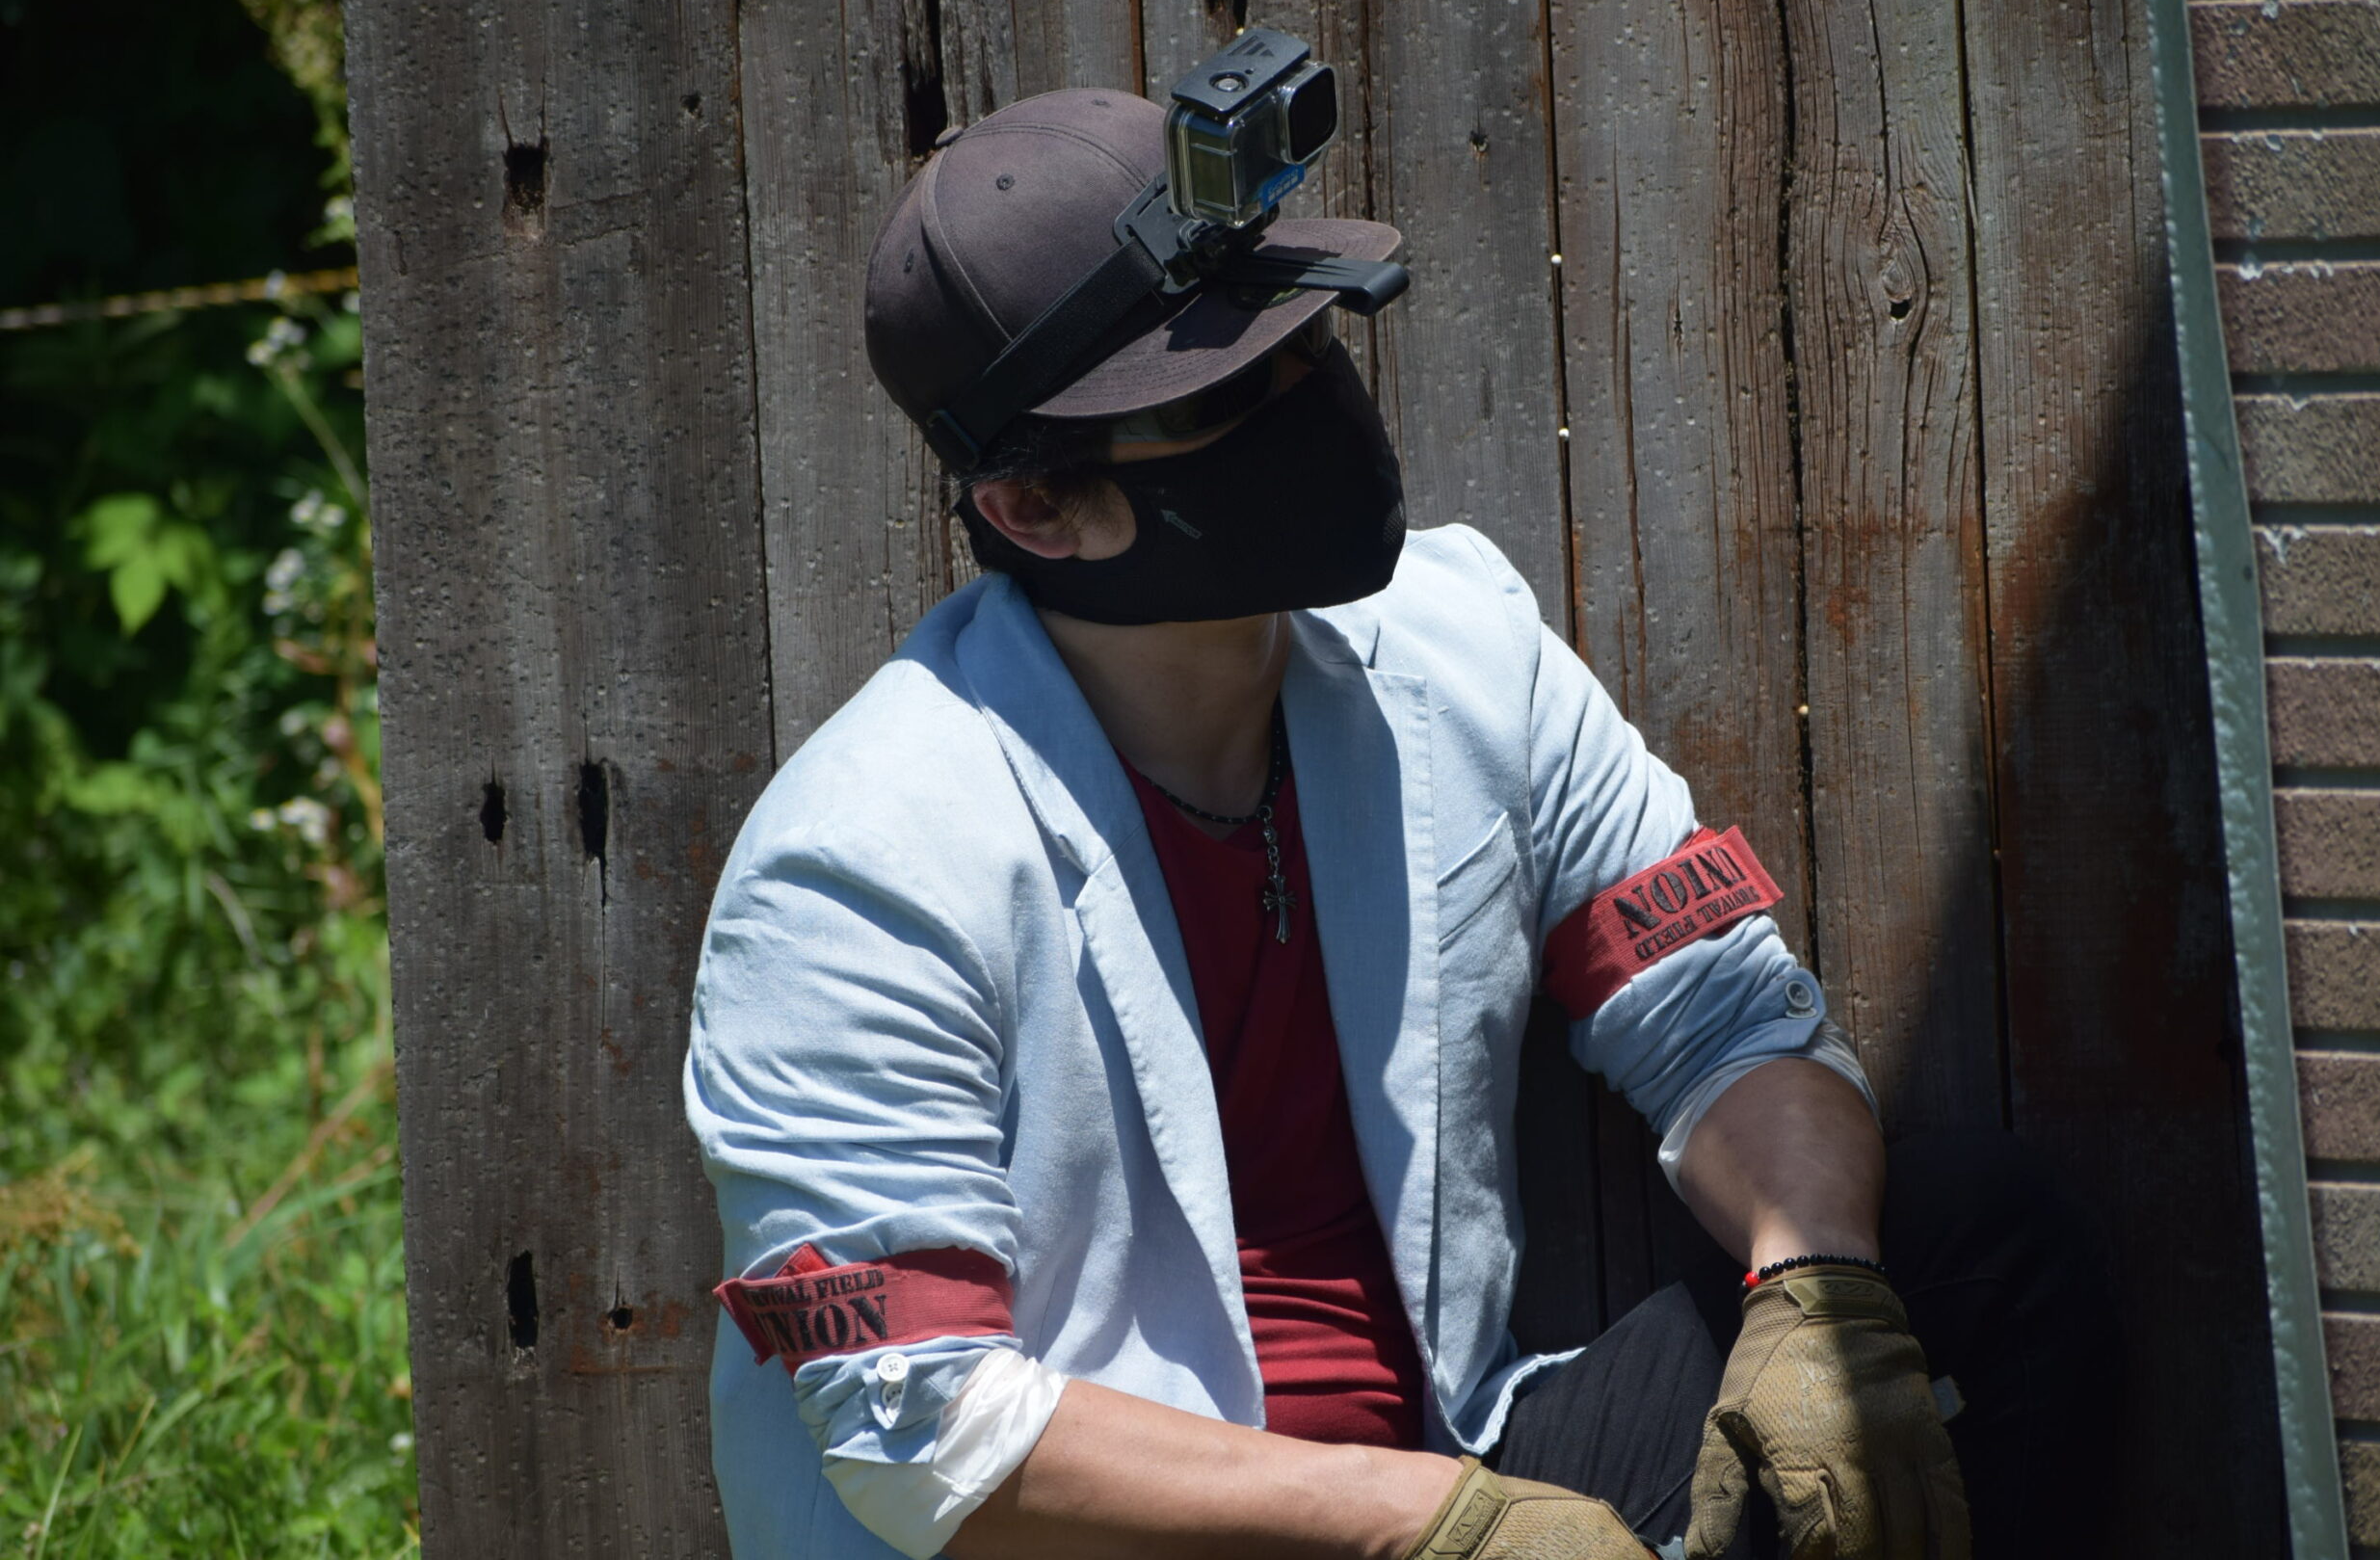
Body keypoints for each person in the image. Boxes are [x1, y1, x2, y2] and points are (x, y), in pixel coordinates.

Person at [685, 88, 2111, 1560]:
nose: (1312, 405)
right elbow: (922, 1421)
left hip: (1443, 1462)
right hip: (1127, 1533)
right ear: (1039, 507)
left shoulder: (1460, 642)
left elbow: (1719, 1011)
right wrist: (1432, 1528)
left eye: (1307, 346)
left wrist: (1816, 1289)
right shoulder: (857, 866)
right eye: (1231, 395)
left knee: (1976, 1248)